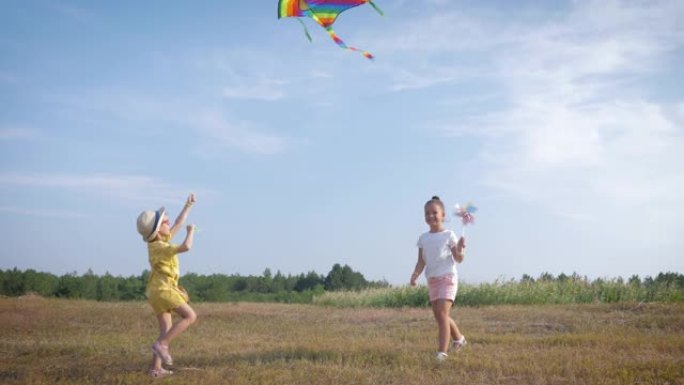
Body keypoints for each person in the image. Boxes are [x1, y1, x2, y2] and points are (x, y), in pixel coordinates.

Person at [136, 193, 197, 377]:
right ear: (156, 231)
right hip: (163, 290)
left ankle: (155, 369)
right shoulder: (161, 247)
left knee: (166, 330)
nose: (168, 221)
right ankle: (161, 345)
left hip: (156, 291)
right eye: (164, 221)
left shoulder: (159, 241)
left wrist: (188, 206)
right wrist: (190, 231)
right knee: (190, 316)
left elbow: (178, 222)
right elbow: (186, 247)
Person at [410, 196, 467, 361]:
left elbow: (458, 259)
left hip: (448, 278)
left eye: (434, 213)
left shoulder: (449, 235)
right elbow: (421, 261)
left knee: (442, 313)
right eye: (427, 213)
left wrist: (460, 249)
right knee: (440, 316)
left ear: (443, 215)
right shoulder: (423, 238)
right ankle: (459, 340)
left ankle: (442, 353)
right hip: (433, 280)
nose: (430, 216)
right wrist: (415, 275)